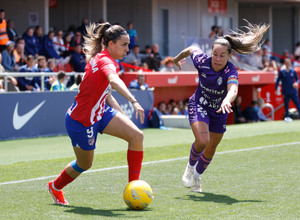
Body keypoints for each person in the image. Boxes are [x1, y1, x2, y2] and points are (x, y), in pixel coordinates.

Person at [47, 22, 145, 205]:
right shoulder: (105, 61)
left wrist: (121, 114)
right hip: (81, 121)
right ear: (110, 44)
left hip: (101, 113)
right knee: (85, 164)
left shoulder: (102, 58)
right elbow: (114, 81)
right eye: (124, 44)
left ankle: (134, 189)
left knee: (137, 136)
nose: (127, 49)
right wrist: (134, 100)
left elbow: (106, 94)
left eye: (128, 44)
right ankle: (55, 186)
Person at [173, 21, 269, 192]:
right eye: (215, 54)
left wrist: (227, 100)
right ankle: (189, 167)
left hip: (219, 110)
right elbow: (190, 49)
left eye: (222, 55)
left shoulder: (230, 72)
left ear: (229, 56)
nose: (217, 58)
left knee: (211, 148)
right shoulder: (202, 60)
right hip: (199, 104)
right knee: (203, 140)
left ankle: (196, 176)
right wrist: (175, 60)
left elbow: (233, 89)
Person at [275, 58, 300, 122]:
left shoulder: (293, 71)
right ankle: (287, 117)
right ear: (285, 63)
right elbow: (278, 81)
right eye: (287, 63)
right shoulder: (282, 72)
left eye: (289, 63)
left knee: (297, 103)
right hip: (285, 91)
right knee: (286, 104)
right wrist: (276, 88)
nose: (288, 64)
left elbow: (297, 79)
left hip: (293, 91)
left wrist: (296, 83)